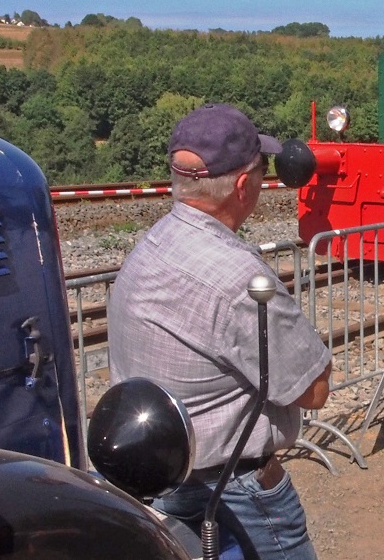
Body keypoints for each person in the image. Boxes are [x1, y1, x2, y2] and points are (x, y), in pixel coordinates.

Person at [108, 103, 333, 560]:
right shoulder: (239, 281)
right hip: (234, 483)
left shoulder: (150, 246)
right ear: (244, 186)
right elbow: (313, 389)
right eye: (261, 168)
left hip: (161, 472)